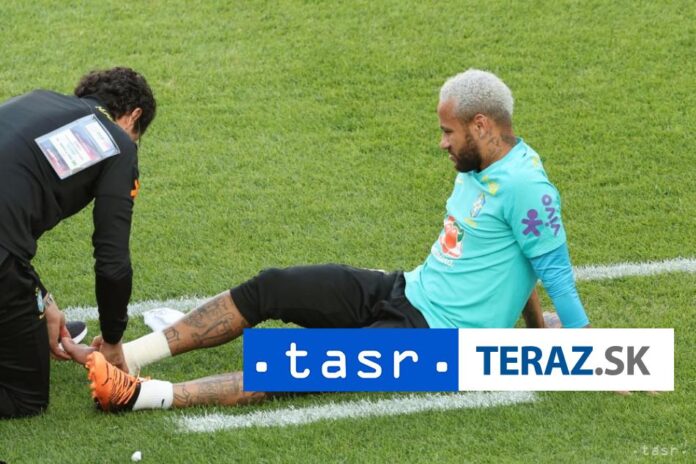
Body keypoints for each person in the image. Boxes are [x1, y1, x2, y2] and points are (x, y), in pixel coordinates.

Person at [65, 69, 588, 413]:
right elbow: (521, 260)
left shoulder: (525, 186)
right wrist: (537, 329)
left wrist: (587, 354)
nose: (442, 142)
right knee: (274, 286)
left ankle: (138, 396)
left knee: (297, 362)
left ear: (481, 124)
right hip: (406, 291)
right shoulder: (480, 166)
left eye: (449, 132)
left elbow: (555, 271)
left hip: (437, 344)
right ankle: (130, 356)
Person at [0, 67, 157, 418]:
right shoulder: (118, 143)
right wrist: (113, 340)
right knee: (25, 398)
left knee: (28, 313)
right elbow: (113, 263)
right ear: (134, 115)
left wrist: (42, 299)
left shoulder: (39, 99)